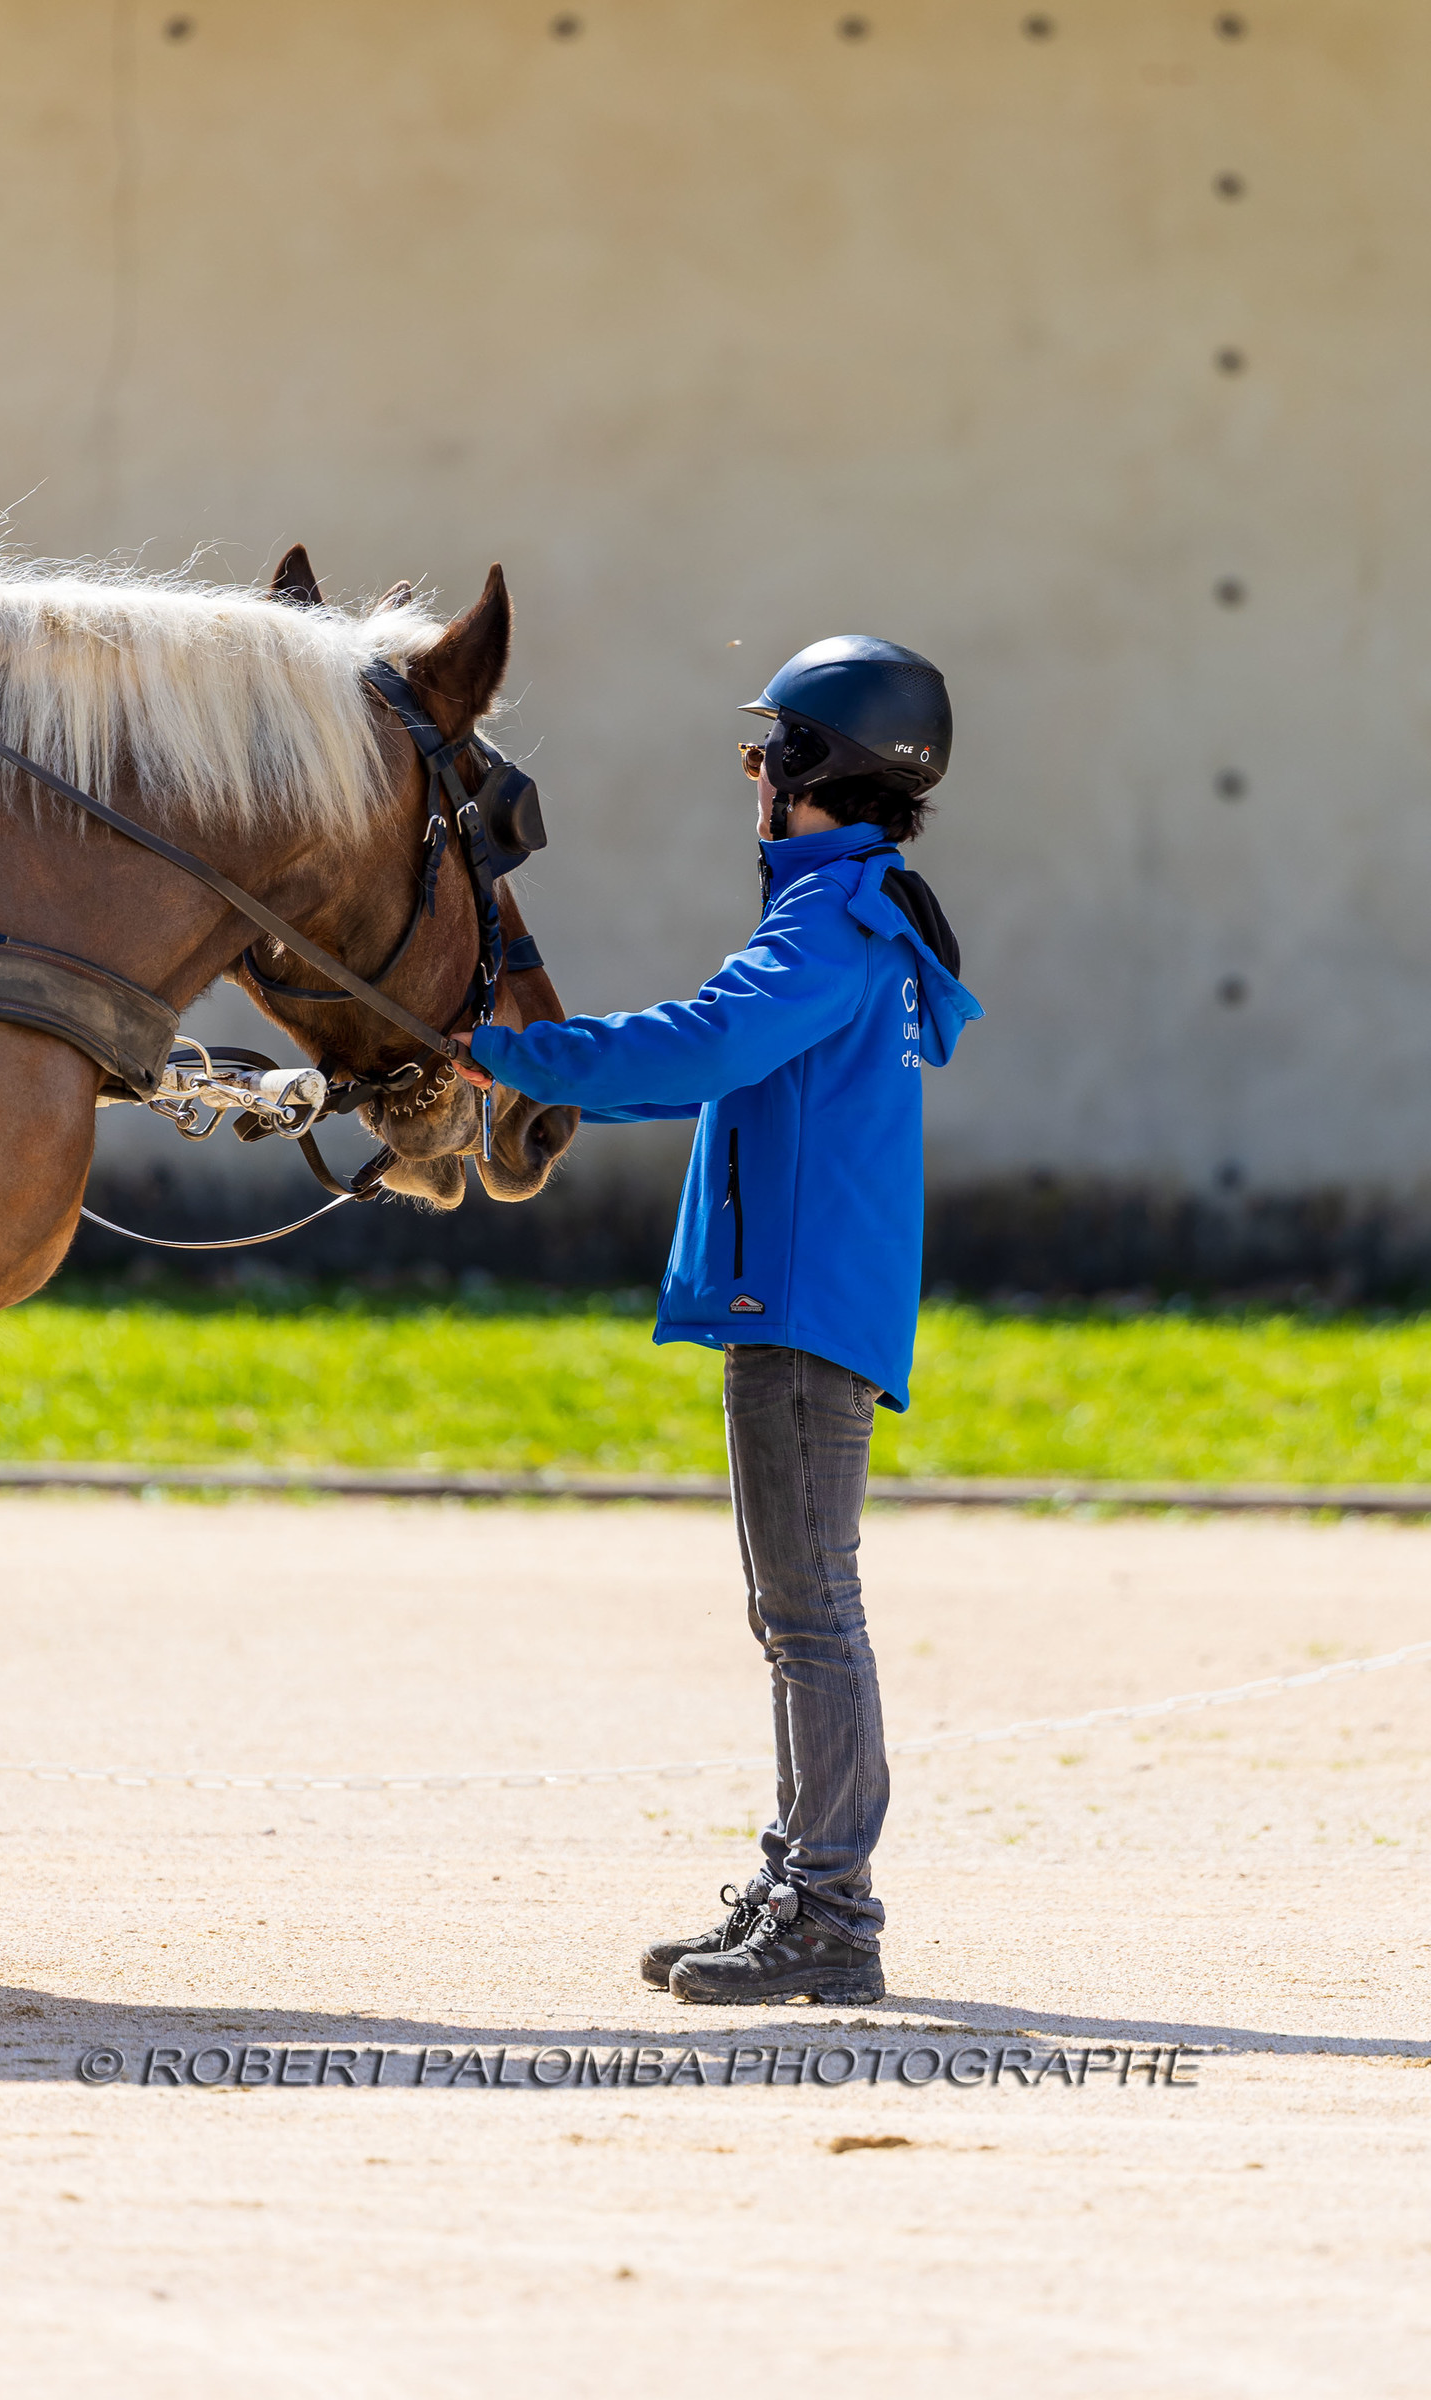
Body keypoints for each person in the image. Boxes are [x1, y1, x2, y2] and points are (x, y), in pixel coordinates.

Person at [453, 637, 982, 2005]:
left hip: (799, 1306)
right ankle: (804, 1883)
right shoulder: (850, 912)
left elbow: (704, 1043)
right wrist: (537, 1073)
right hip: (807, 1296)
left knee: (810, 1614)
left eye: (764, 752)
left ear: (809, 767)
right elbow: (715, 1067)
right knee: (799, 1609)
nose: (752, 776)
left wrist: (501, 1051)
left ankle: (832, 1911)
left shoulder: (829, 923)